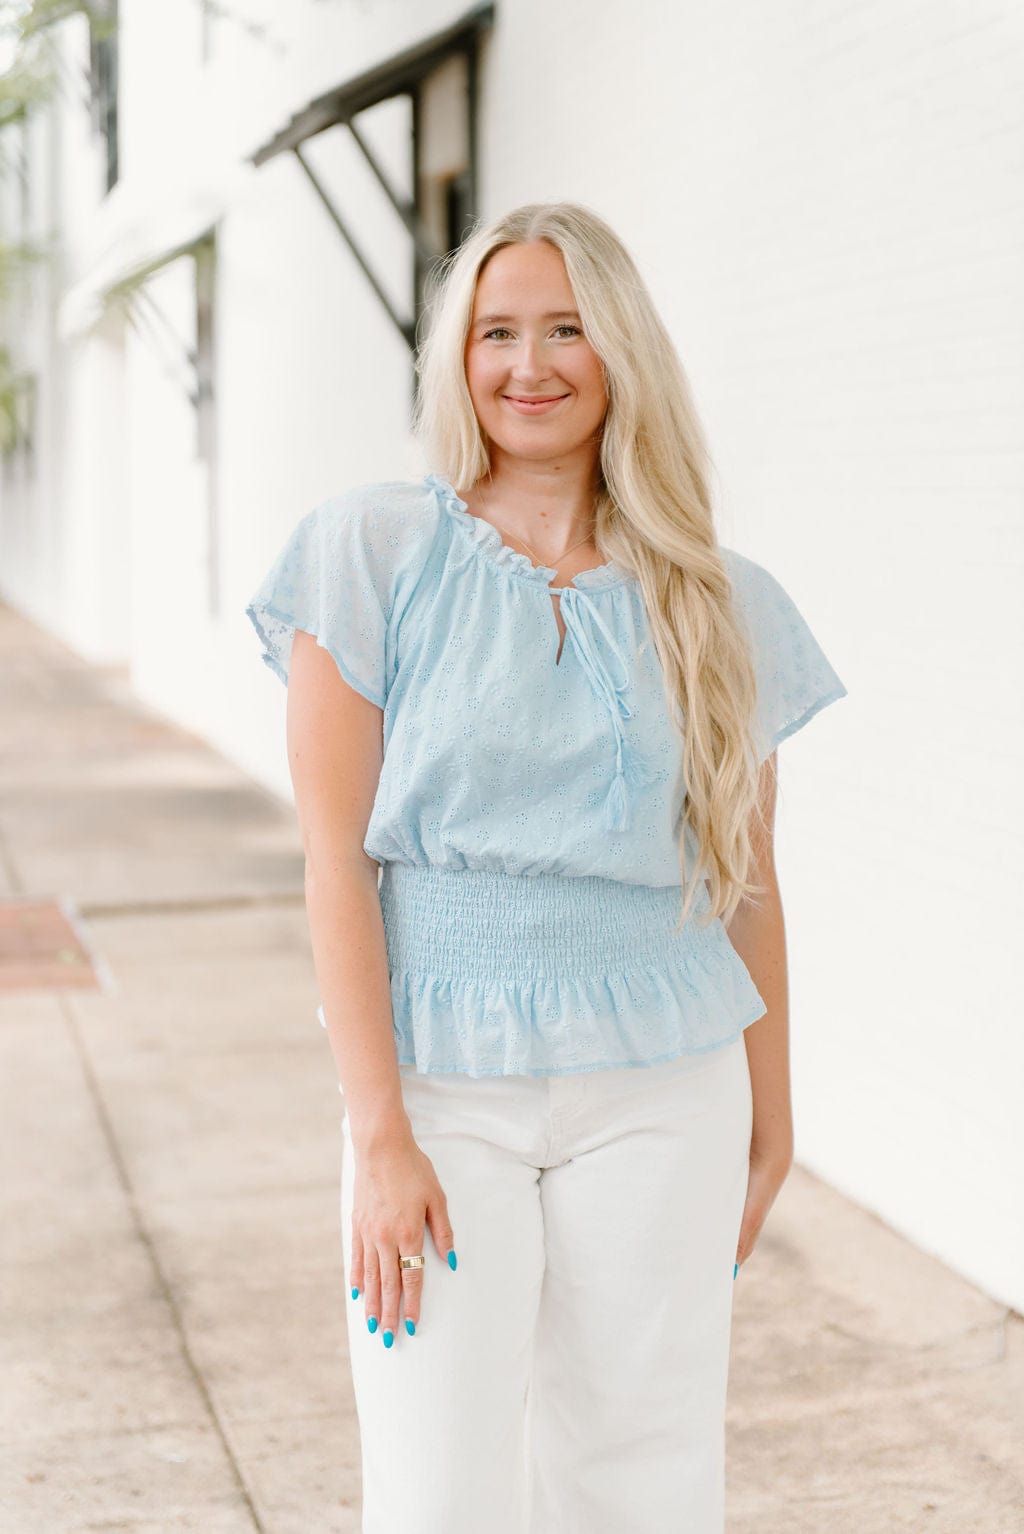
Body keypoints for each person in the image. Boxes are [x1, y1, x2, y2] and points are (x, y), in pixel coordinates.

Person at [244, 200, 847, 1533]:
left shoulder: (719, 601)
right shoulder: (371, 552)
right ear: (459, 358)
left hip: (664, 1089)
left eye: (567, 328)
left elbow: (748, 882)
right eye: (497, 331)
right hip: (440, 1084)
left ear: (621, 350)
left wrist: (773, 1115)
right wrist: (378, 1130)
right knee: (437, 1484)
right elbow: (335, 864)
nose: (530, 364)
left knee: (643, 1470)